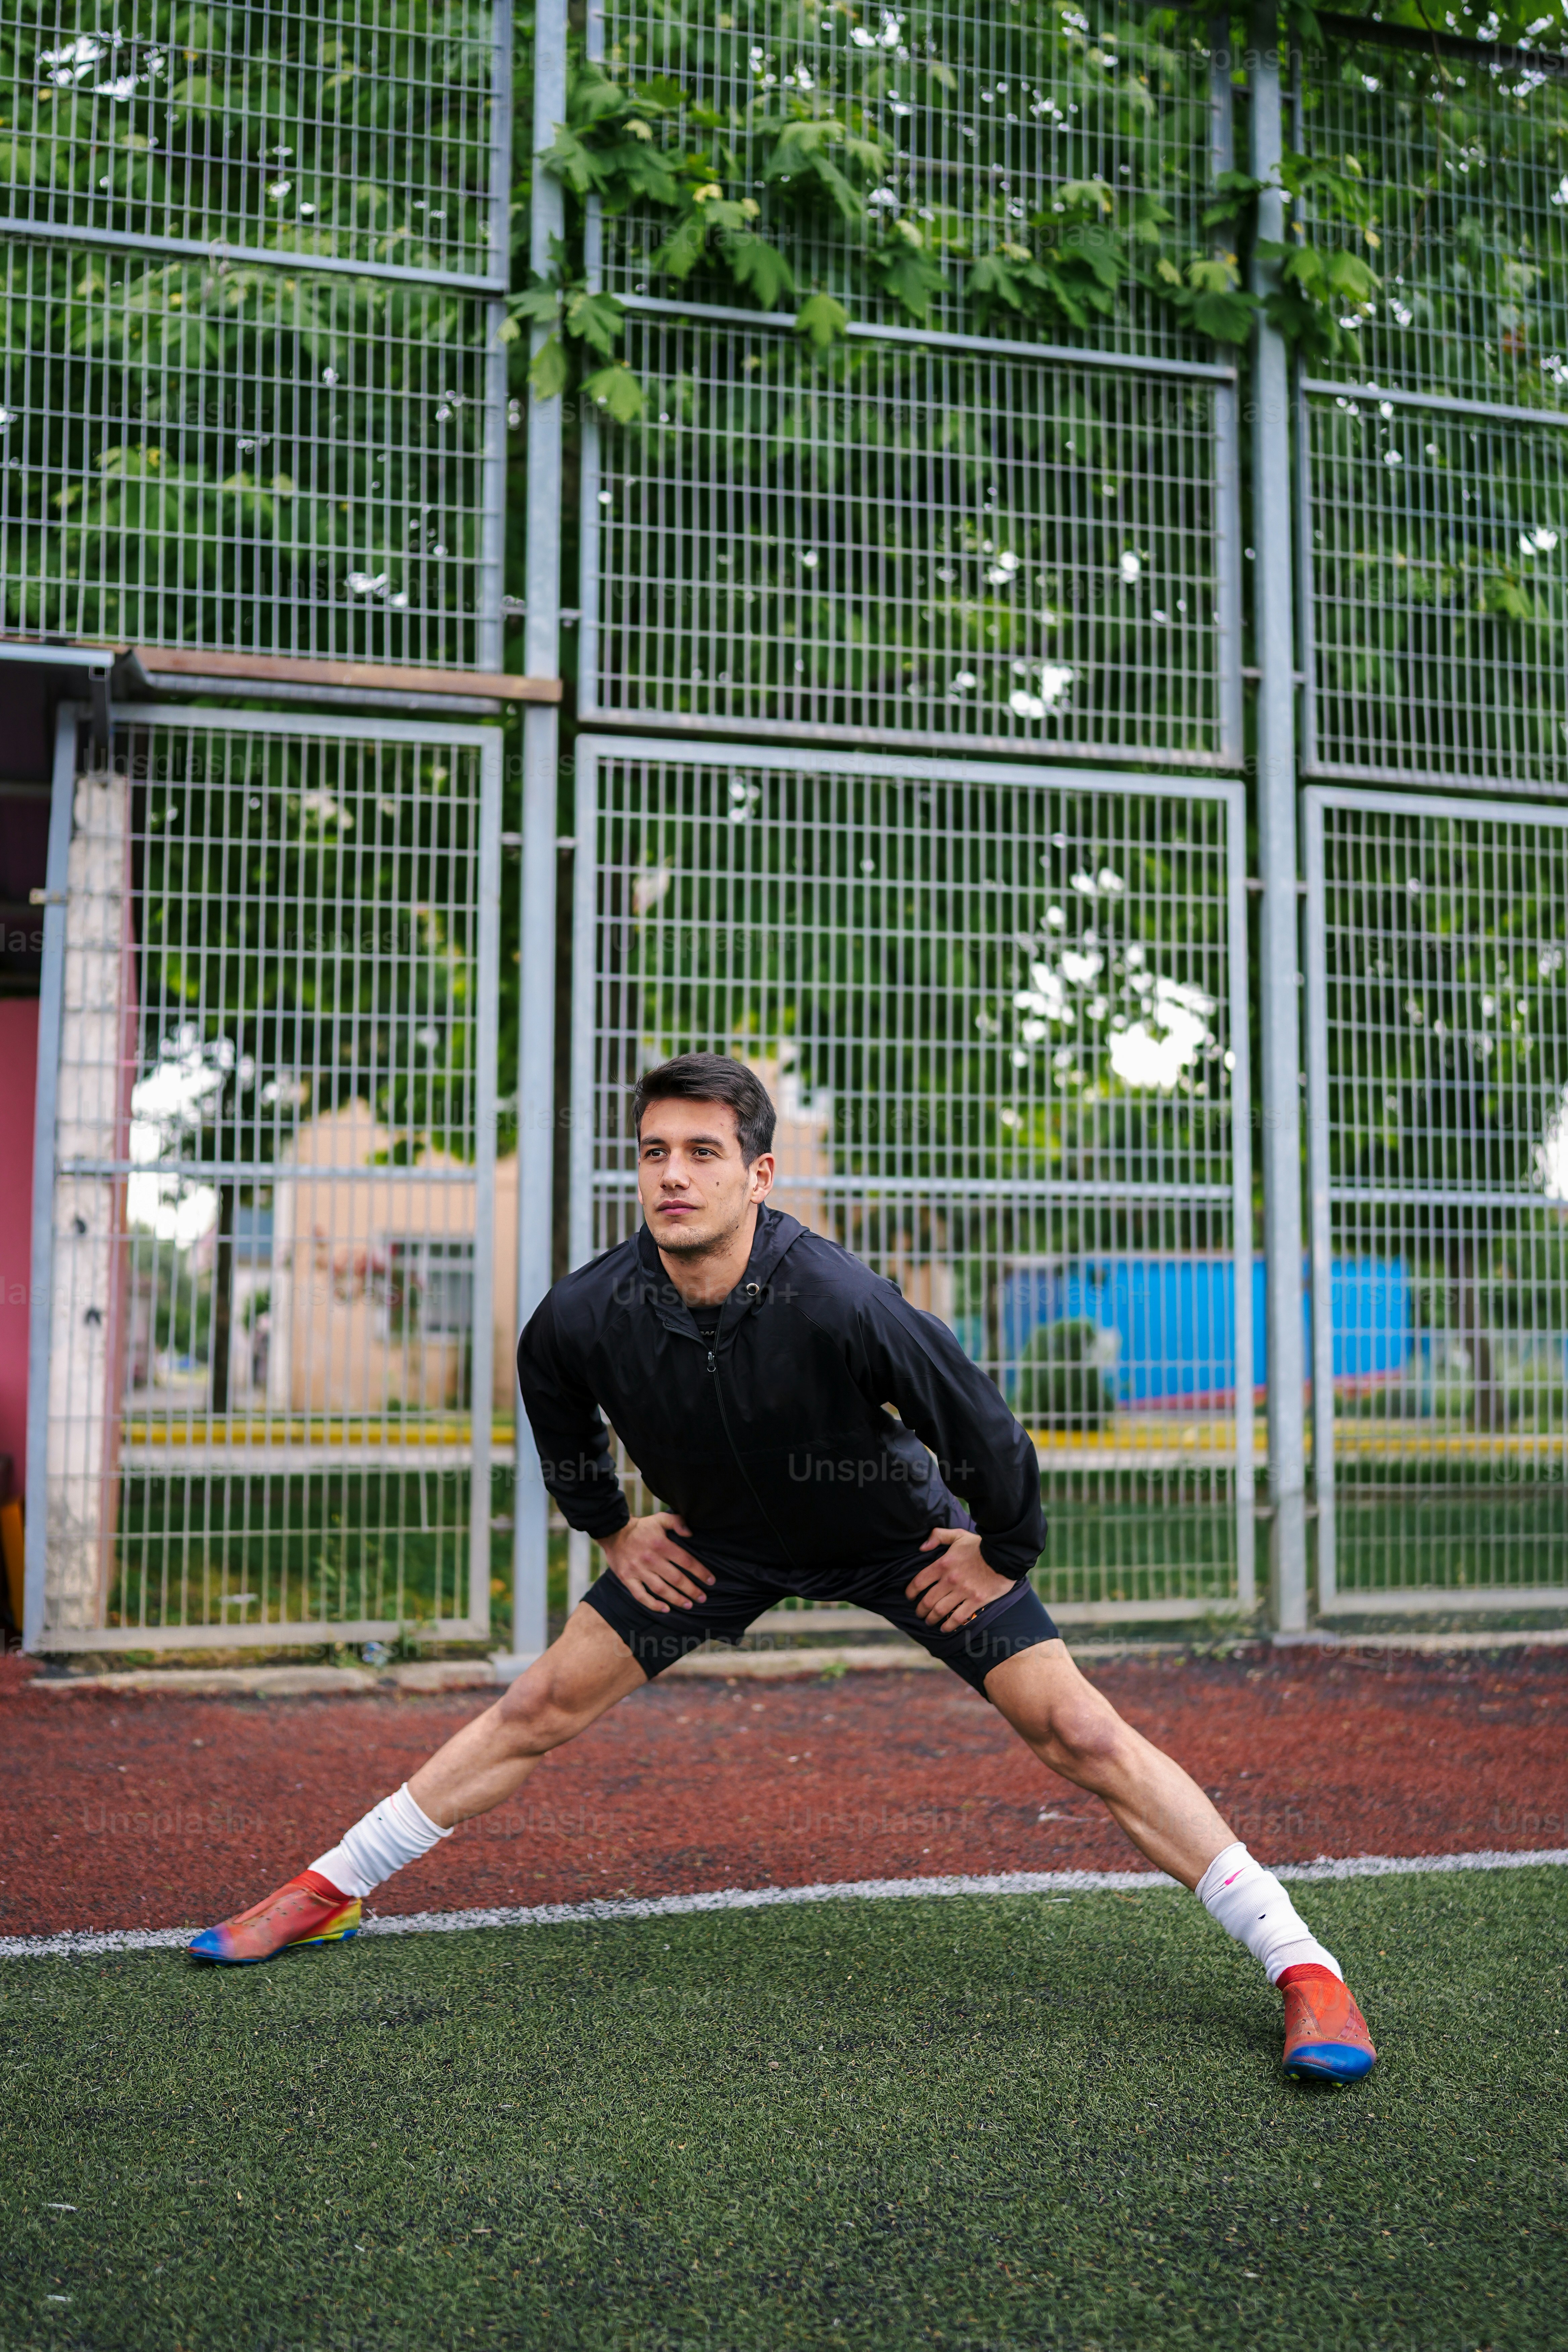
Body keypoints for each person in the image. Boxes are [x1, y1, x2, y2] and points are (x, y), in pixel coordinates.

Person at [189, 1055, 1375, 2083]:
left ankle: (1303, 1967)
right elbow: (553, 1406)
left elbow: (986, 1429)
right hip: (716, 1548)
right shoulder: (584, 1314)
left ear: (757, 1176)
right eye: (655, 1152)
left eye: (705, 1152)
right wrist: (610, 1527)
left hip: (891, 1539)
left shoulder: (840, 1298)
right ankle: (330, 1887)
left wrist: (996, 1549)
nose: (673, 1175)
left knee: (1085, 1736)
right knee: (537, 1704)